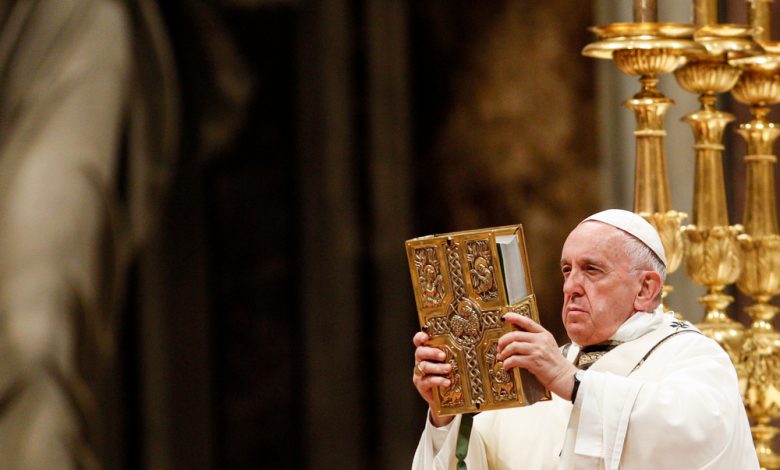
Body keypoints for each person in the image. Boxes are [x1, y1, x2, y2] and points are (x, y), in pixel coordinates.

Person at [411, 209, 758, 469]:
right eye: (567, 270)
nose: (571, 286)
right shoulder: (534, 374)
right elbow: (475, 456)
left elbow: (697, 436)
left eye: (592, 270)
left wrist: (572, 383)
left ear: (646, 288)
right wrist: (445, 412)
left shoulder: (692, 356)